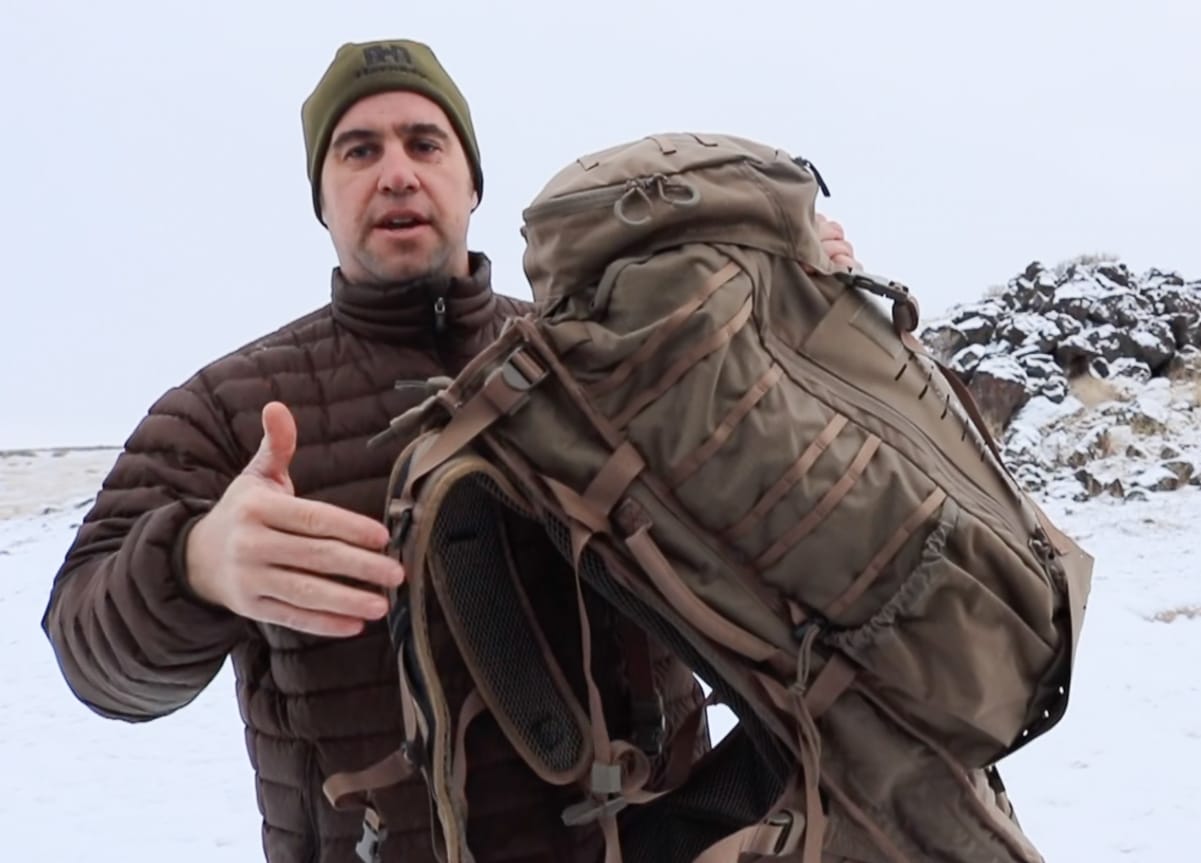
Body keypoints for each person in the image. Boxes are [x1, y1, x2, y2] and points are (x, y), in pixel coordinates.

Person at [40, 38, 860, 863]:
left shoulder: (602, 353)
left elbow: (794, 535)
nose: (397, 173)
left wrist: (802, 331)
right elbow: (90, 656)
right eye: (359, 150)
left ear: (472, 183)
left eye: (425, 143)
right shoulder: (227, 409)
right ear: (322, 199)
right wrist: (193, 564)